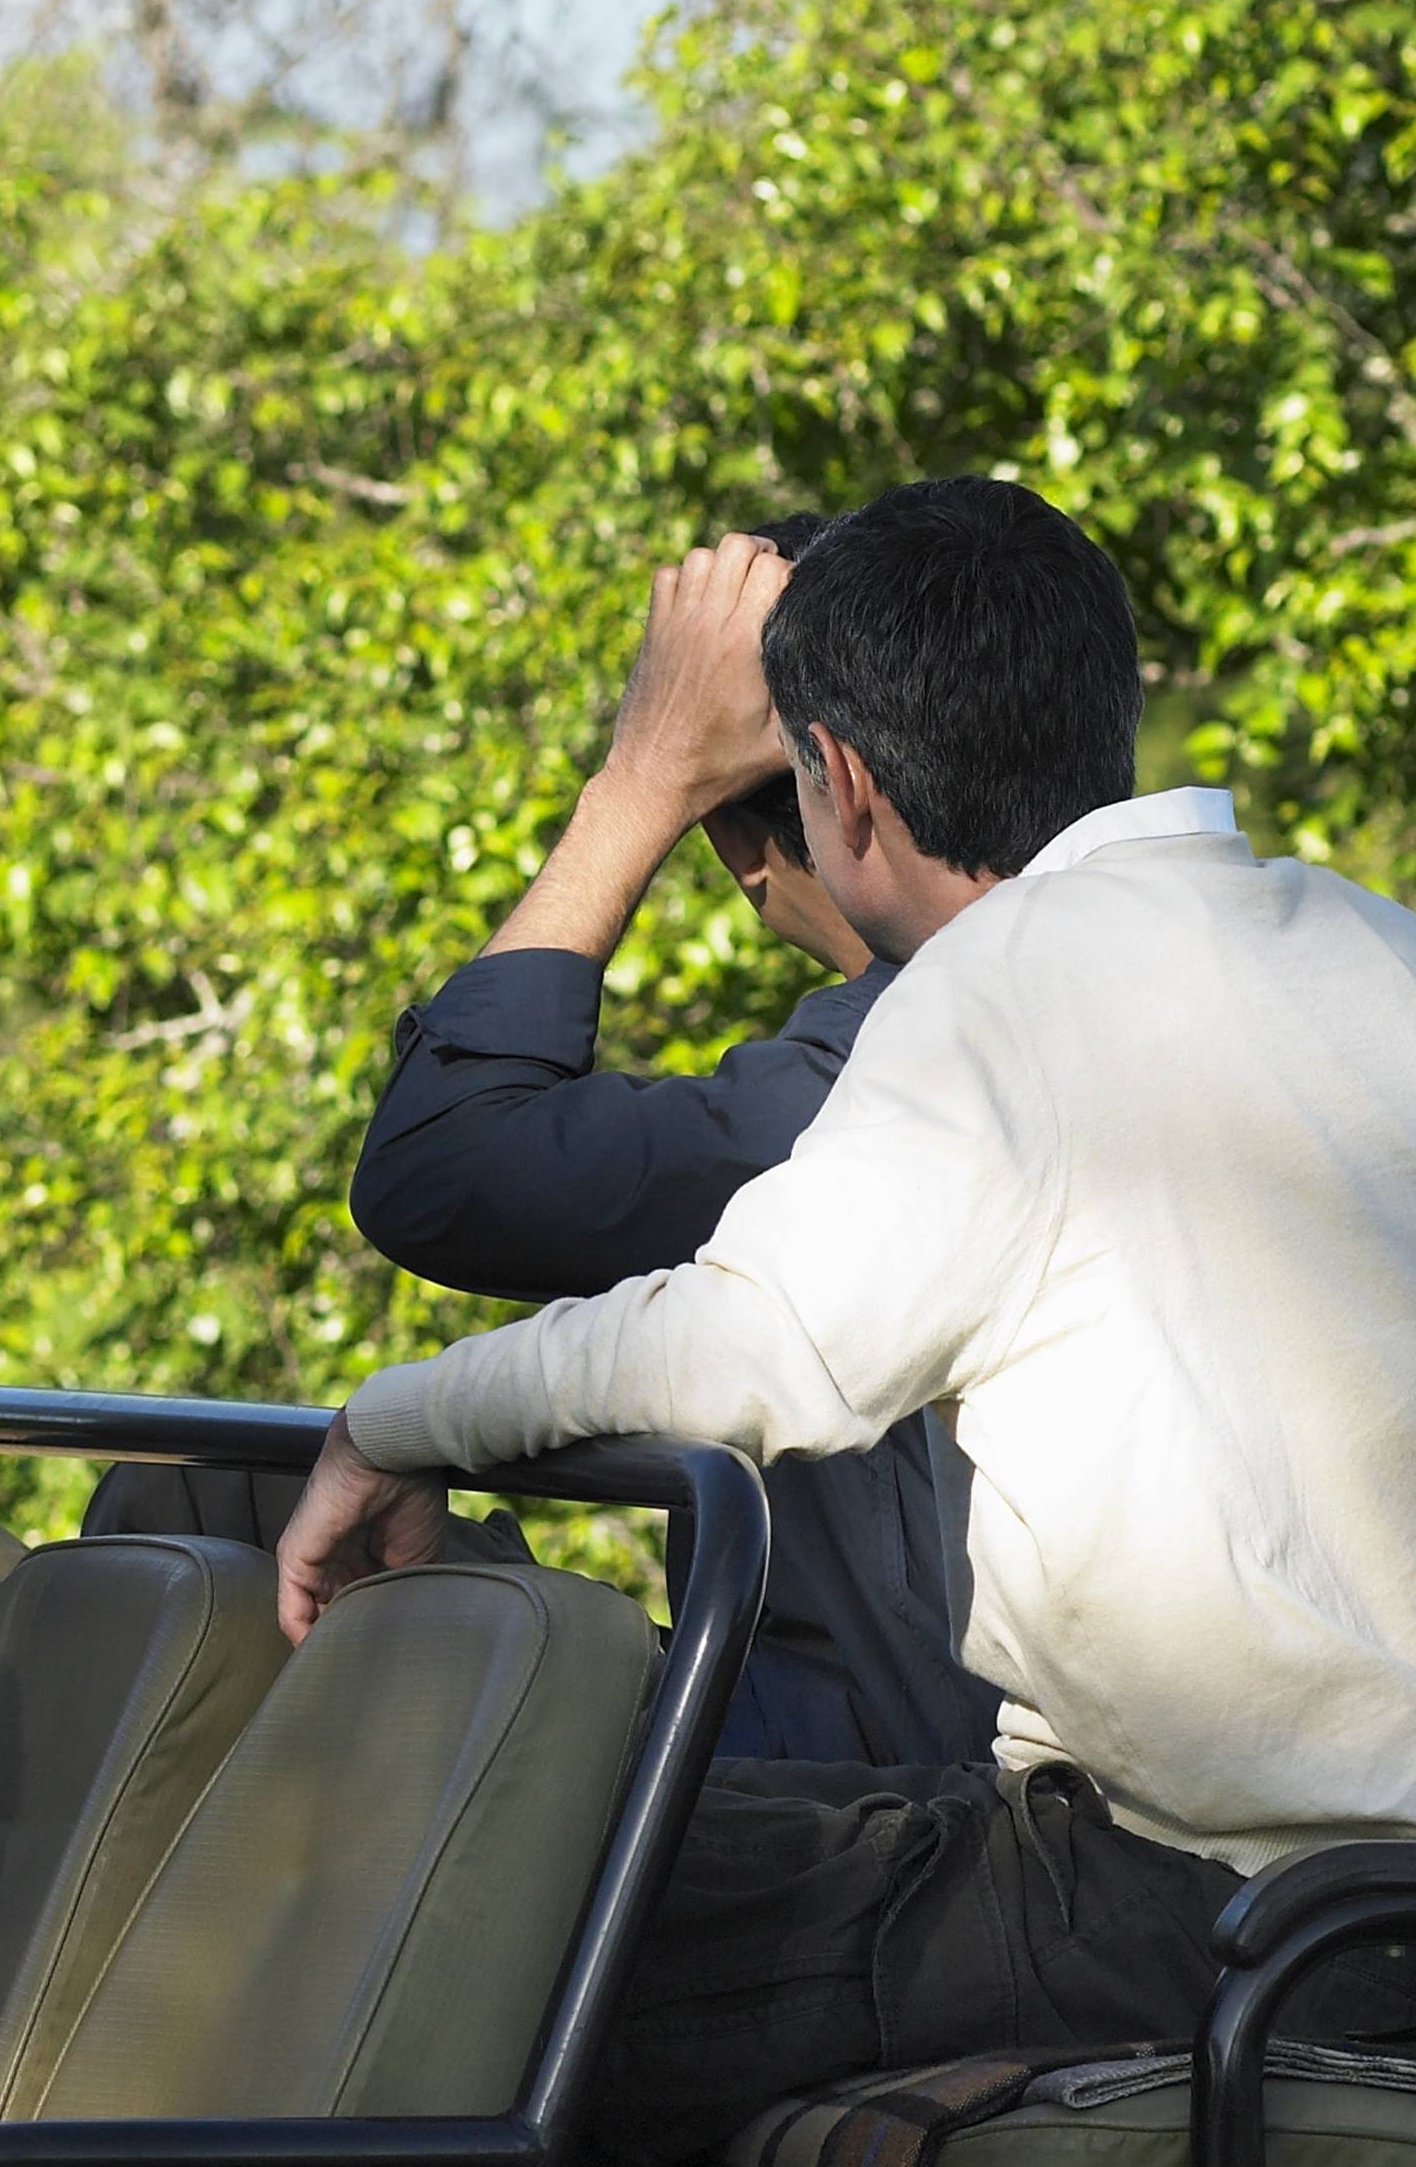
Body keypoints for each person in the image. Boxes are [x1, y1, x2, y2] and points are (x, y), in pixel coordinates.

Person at [271, 479, 1416, 2167]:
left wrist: (394, 1418)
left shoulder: (984, 997)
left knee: (480, 1934)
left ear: (835, 782)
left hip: (1162, 1905)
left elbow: (753, 1351)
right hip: (1410, 1890)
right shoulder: (1371, 948)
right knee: (619, 1890)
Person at [351, 521, 993, 1772]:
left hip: (895, 1823)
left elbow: (437, 1173)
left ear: (772, 837)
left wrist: (640, 781)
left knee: (219, 1510)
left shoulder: (885, 1074)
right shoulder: (1234, 984)